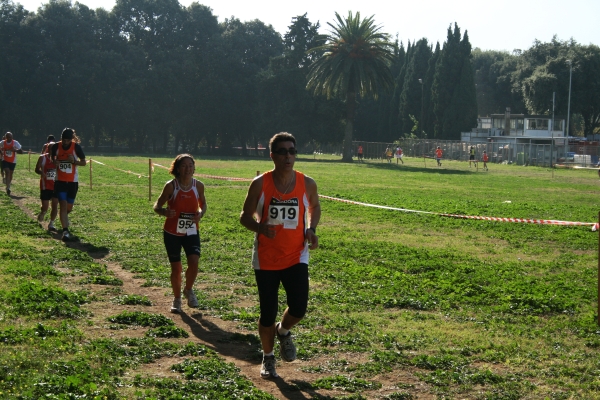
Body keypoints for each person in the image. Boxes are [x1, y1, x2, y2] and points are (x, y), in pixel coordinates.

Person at [240, 132, 320, 379]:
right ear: (272, 155)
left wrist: (311, 228)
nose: (289, 156)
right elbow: (244, 216)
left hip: (296, 254)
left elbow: (314, 207)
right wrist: (260, 227)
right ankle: (268, 357)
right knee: (267, 311)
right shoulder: (260, 183)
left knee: (299, 307)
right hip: (266, 257)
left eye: (292, 151)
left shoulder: (306, 182)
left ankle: (283, 331)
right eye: (283, 151)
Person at [153, 154, 207, 314]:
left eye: (190, 165)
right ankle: (177, 299)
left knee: (194, 261)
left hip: (191, 230)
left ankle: (188, 290)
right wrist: (163, 211)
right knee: (176, 268)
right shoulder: (171, 186)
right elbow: (157, 205)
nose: (188, 168)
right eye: (184, 165)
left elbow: (203, 205)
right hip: (172, 232)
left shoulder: (199, 186)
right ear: (177, 168)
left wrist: (200, 213)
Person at [50, 128, 86, 241]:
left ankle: (64, 219)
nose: (65, 142)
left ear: (71, 139)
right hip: (60, 181)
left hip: (72, 182)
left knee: (68, 208)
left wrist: (74, 161)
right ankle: (65, 231)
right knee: (63, 205)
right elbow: (52, 159)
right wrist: (54, 161)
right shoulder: (56, 147)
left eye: (68, 140)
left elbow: (84, 162)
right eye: (64, 140)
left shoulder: (76, 147)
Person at [35, 141, 58, 231]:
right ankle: (43, 212)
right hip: (45, 185)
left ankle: (51, 223)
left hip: (56, 185)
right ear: (48, 149)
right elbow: (36, 169)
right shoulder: (42, 158)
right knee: (45, 206)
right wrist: (41, 172)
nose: (53, 150)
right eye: (51, 148)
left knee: (55, 205)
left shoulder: (59, 158)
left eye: (55, 148)